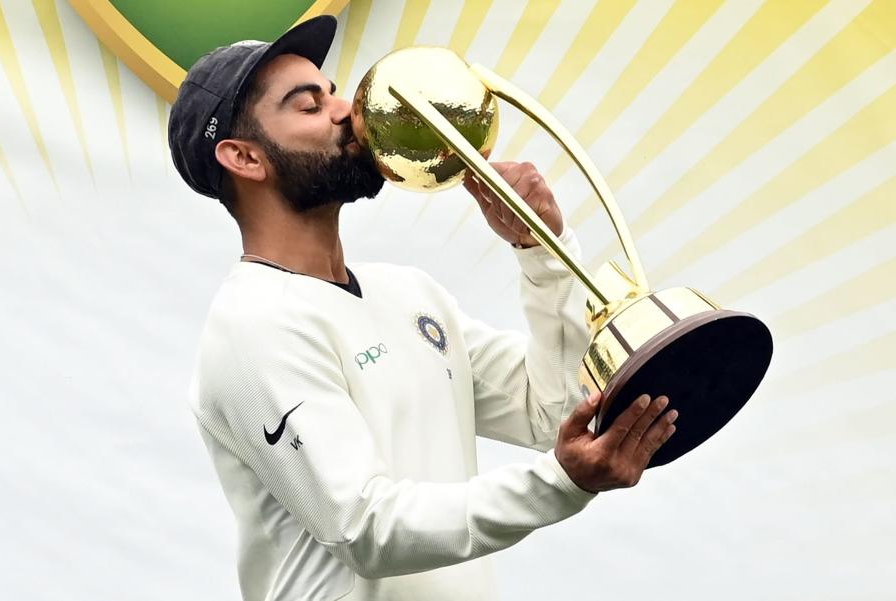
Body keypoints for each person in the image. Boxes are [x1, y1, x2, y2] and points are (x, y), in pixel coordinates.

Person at [168, 15, 678, 601]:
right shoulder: (254, 326)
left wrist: (540, 252)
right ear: (245, 158)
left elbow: (550, 412)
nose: (346, 112)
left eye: (333, 92)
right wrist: (558, 483)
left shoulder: (408, 295)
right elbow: (365, 527)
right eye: (309, 106)